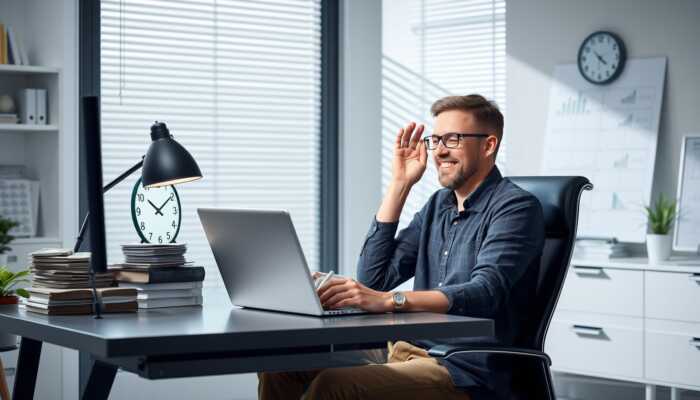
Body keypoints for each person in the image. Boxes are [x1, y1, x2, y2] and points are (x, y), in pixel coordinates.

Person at [258, 94, 545, 400]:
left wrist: (388, 300)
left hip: (465, 369)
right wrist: (400, 184)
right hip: (406, 351)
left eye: (453, 139)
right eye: (435, 140)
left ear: (488, 145)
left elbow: (485, 291)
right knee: (281, 365)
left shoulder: (516, 208)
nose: (440, 151)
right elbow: (373, 278)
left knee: (334, 386)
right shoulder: (438, 205)